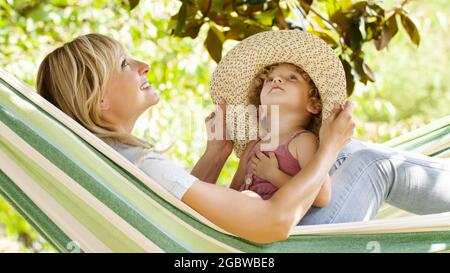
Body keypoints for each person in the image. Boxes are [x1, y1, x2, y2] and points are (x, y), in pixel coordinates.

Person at [35, 31, 450, 244]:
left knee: (350, 156)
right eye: (125, 63)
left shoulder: (115, 159)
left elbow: (190, 213)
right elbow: (274, 223)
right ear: (100, 100)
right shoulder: (139, 163)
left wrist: (216, 152)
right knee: (368, 163)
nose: (143, 64)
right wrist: (330, 144)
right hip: (273, 251)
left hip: (244, 246)